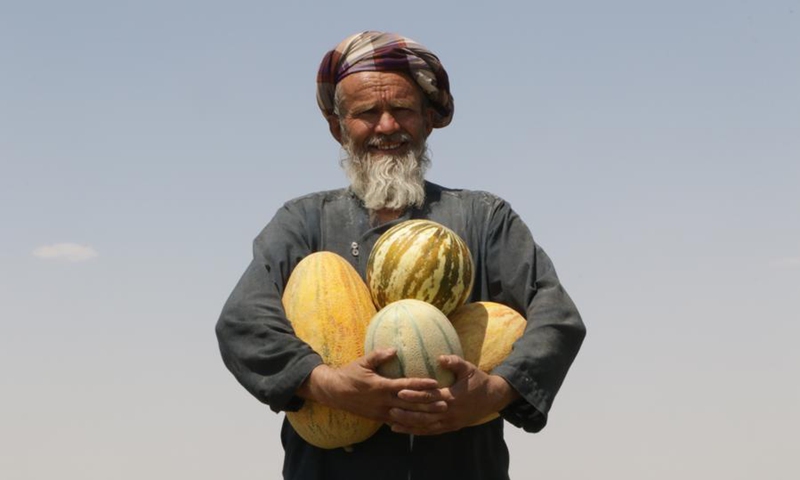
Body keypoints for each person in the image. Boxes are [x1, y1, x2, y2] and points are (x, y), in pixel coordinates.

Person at [216, 31, 586, 480]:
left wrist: (494, 391)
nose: (387, 126)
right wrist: (326, 384)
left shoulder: (484, 218)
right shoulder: (304, 221)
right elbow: (242, 321)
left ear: (428, 120)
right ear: (338, 127)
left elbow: (556, 315)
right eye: (368, 113)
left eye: (403, 110)